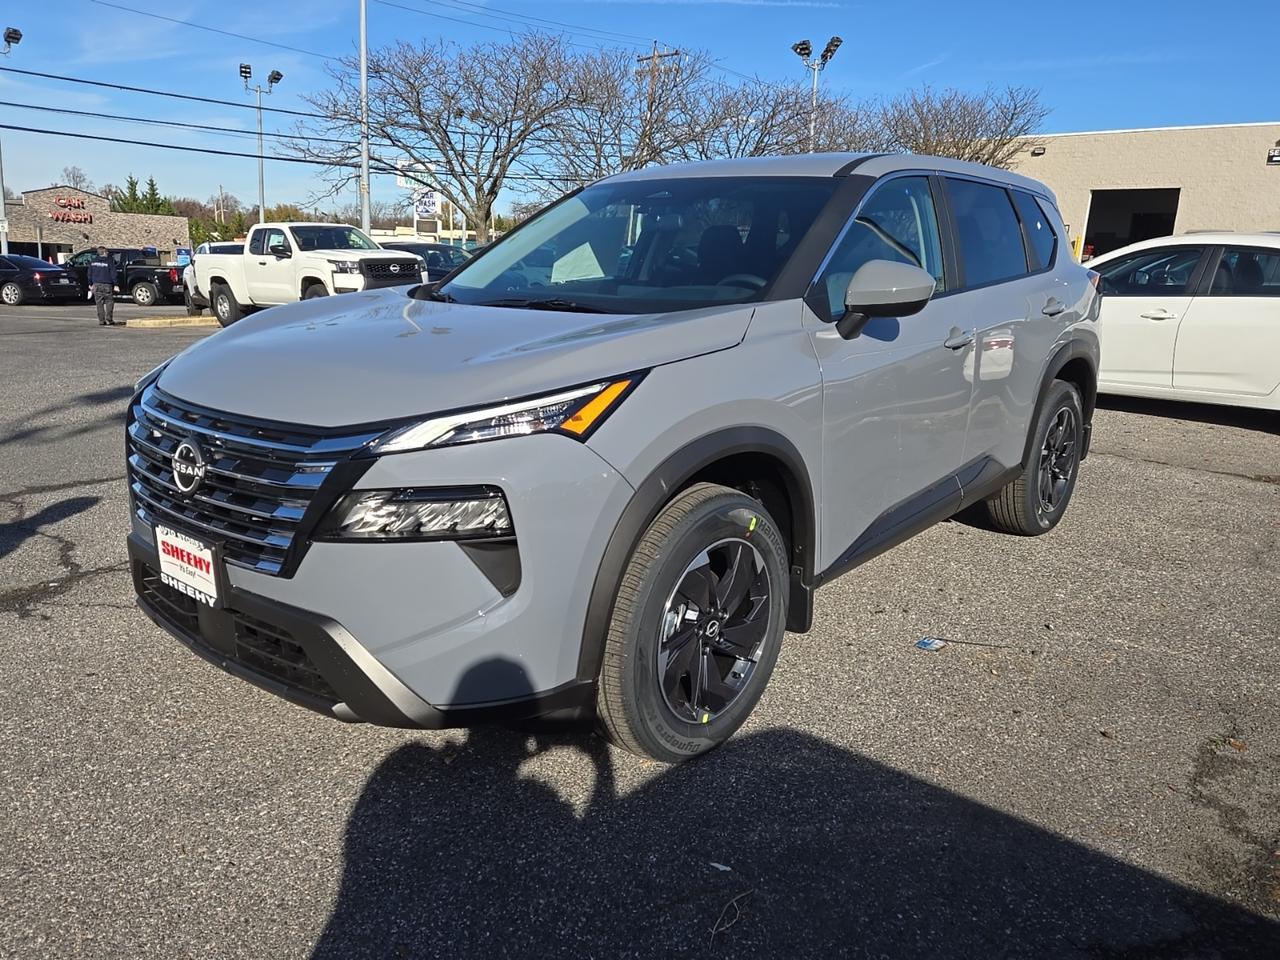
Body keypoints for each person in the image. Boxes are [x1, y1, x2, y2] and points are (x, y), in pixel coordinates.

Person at [88, 246, 116, 326]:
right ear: (103, 252)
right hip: (107, 284)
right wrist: (116, 284)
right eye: (107, 252)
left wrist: (90, 284)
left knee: (99, 303)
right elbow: (113, 274)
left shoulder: (93, 262)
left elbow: (89, 274)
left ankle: (101, 320)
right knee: (109, 302)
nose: (107, 253)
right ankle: (109, 319)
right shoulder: (109, 262)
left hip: (96, 284)